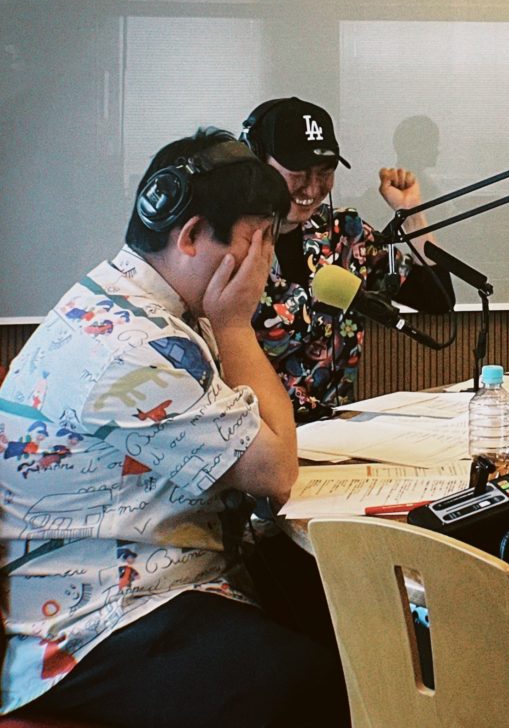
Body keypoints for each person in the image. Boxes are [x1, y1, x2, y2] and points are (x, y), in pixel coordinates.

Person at [0, 130, 342, 726]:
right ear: (190, 236)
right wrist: (235, 326)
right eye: (259, 240)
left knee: (334, 619)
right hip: (91, 624)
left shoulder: (130, 299)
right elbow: (274, 472)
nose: (265, 263)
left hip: (152, 576)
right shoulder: (131, 346)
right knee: (315, 683)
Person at [240, 97, 454, 421]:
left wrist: (412, 214)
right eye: (298, 172)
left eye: (324, 172)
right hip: (256, 436)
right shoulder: (225, 246)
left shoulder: (345, 232)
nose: (313, 188)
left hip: (336, 433)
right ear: (257, 163)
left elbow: (438, 298)